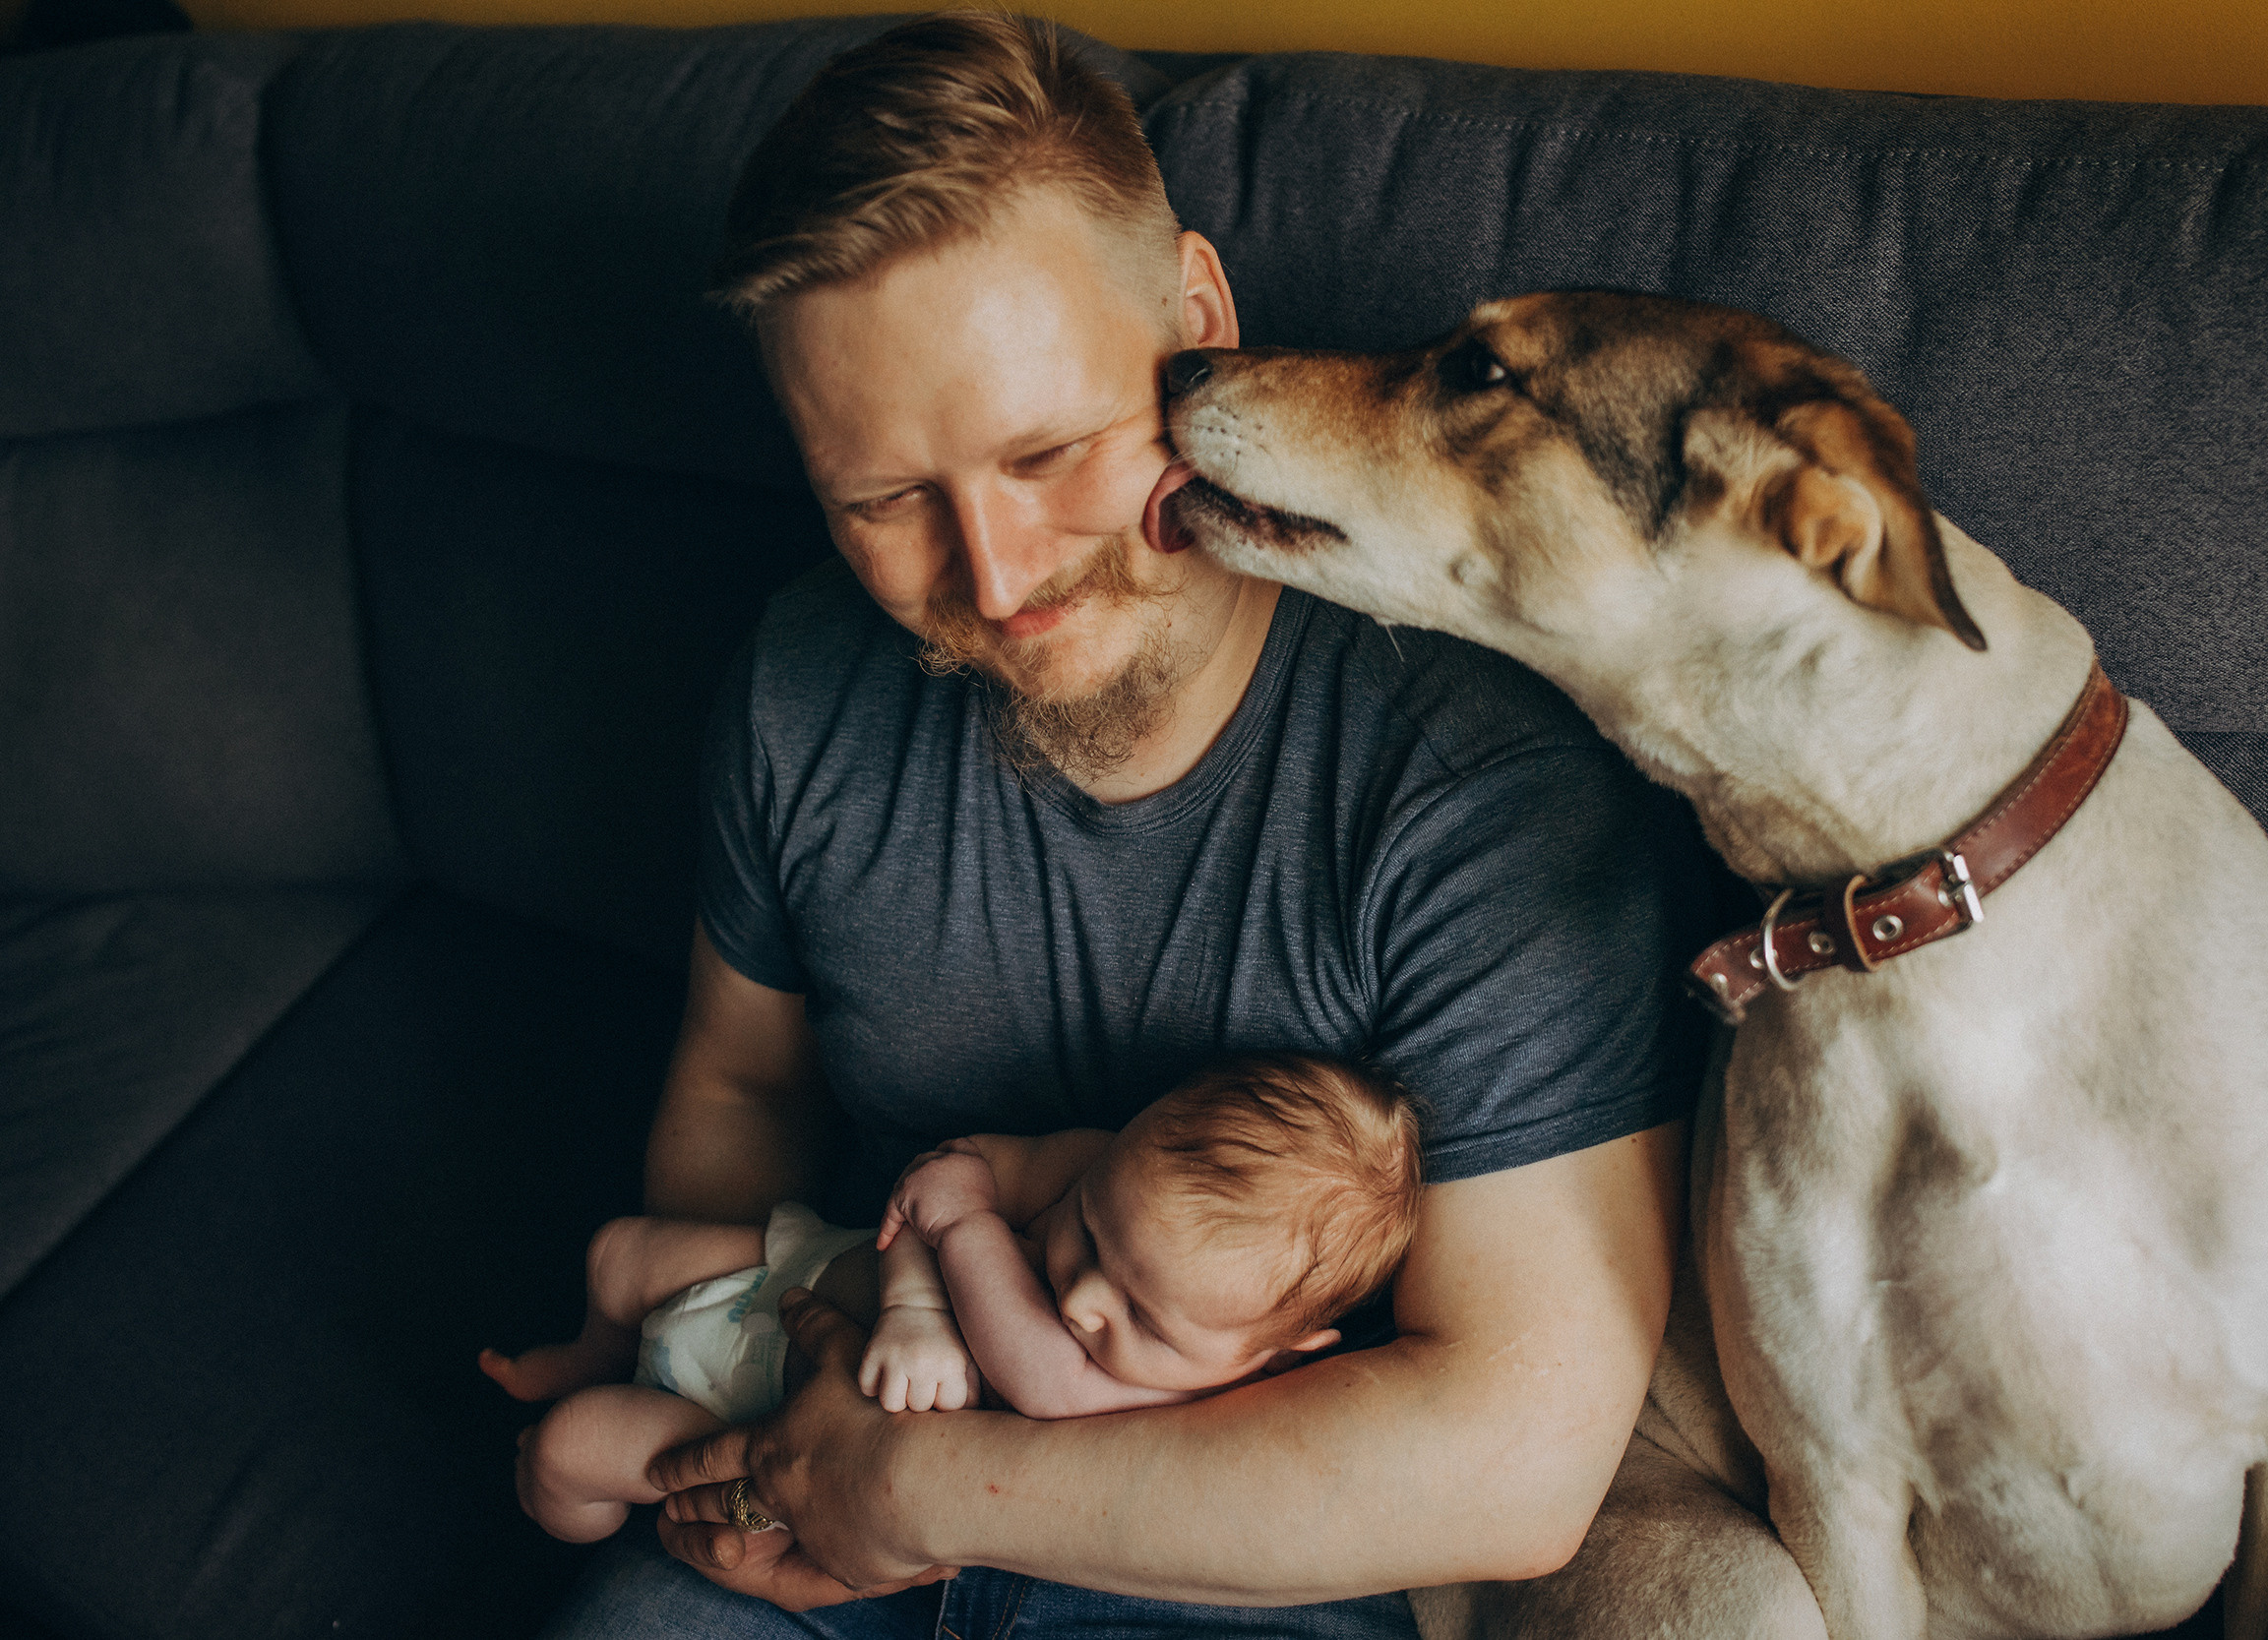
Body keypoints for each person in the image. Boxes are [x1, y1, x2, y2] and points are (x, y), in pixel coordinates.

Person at [543, 11, 1715, 1637]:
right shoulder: (800, 689)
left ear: (1198, 318)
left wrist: (916, 1492)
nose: (996, 572)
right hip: (832, 1412)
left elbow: (1516, 1457)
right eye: (884, 500)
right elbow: (741, 1082)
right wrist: (747, 1417)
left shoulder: (1474, 778)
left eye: (1048, 450)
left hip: (1231, 1553)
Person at [485, 1055, 1417, 1544]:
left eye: (1142, 1318)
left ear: (1278, 1354)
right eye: (1090, 1228)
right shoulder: (1099, 1164)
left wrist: (964, 1232)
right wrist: (917, 1297)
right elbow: (950, 1172)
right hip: (796, 1267)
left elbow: (1032, 1372)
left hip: (752, 1407)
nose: (1084, 1298)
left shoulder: (1156, 1396)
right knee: (618, 1253)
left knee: (572, 1447)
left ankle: (560, 1502)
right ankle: (593, 1350)